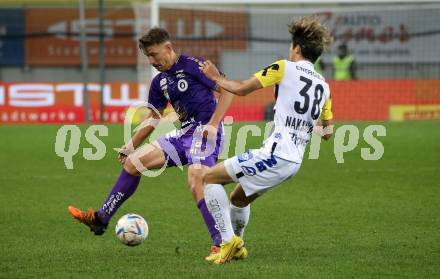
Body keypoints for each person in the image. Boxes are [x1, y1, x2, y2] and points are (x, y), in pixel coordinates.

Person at [68, 27, 234, 260]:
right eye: (148, 57)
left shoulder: (194, 66)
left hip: (205, 134)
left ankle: (222, 243)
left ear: (168, 48)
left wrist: (214, 124)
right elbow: (154, 116)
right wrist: (130, 145)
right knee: (133, 163)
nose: (152, 61)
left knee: (197, 180)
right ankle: (100, 219)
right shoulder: (159, 82)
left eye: (154, 55)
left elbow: (227, 91)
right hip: (184, 134)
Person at [198, 16, 334, 264]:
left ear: (297, 48)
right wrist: (304, 125)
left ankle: (228, 243)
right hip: (293, 162)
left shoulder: (284, 67)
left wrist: (215, 77)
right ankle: (238, 244)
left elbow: (240, 89)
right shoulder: (324, 87)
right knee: (238, 199)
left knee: (208, 178)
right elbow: (327, 133)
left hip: (275, 154)